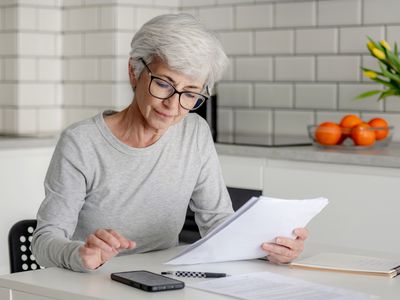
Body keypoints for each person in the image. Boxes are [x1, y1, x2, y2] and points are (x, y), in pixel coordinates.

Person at [32, 13, 308, 272]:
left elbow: (218, 223)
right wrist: (80, 254)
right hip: (90, 283)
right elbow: (44, 242)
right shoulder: (82, 142)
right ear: (134, 72)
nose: (173, 106)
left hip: (162, 278)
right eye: (164, 84)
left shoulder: (194, 133)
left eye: (190, 94)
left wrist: (270, 248)